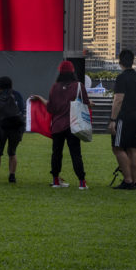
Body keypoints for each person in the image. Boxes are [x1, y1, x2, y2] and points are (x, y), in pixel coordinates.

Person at [47, 60, 88, 190]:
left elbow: (50, 108)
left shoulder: (54, 87)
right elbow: (86, 103)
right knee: (76, 154)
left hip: (57, 126)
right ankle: (82, 182)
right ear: (72, 72)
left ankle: (55, 180)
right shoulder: (79, 86)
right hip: (73, 125)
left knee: (56, 154)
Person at [110, 49, 136, 190]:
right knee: (133, 148)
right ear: (132, 62)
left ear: (120, 62)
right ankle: (134, 181)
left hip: (125, 117)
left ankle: (128, 180)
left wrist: (113, 119)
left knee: (117, 148)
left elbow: (118, 99)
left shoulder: (122, 78)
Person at [0, 76, 25, 184]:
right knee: (12, 152)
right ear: (11, 85)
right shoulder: (17, 95)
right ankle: (12, 176)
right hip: (16, 127)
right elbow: (21, 110)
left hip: (2, 127)